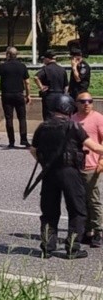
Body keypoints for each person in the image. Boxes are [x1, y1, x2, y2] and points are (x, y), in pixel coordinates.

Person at [29, 94, 103, 259]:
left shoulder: (42, 127)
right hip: (69, 172)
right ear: (69, 109)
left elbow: (33, 150)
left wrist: (46, 163)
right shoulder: (73, 126)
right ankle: (72, 248)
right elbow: (95, 147)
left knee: (49, 211)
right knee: (77, 210)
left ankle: (47, 248)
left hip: (49, 173)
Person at [0, 47, 31, 148]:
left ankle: (11, 141)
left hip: (6, 95)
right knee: (22, 118)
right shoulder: (22, 66)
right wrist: (28, 94)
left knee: (9, 118)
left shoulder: (3, 66)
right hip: (19, 94)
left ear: (8, 55)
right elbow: (27, 82)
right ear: (16, 55)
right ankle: (24, 139)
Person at [72, 92, 103, 248]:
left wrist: (102, 161)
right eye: (83, 101)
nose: (87, 103)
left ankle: (98, 232)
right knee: (81, 202)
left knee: (94, 201)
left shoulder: (98, 118)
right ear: (76, 103)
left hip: (92, 166)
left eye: (90, 101)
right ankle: (87, 231)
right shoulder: (73, 119)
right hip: (76, 167)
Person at [36, 50, 67, 121]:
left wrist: (41, 87)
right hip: (60, 96)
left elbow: (36, 77)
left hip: (49, 96)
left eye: (44, 59)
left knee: (48, 117)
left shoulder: (45, 69)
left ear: (47, 59)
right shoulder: (62, 69)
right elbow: (66, 86)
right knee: (59, 116)